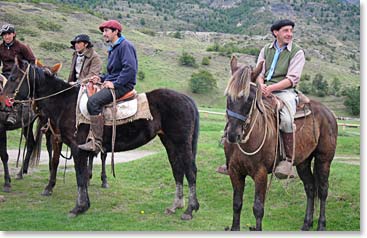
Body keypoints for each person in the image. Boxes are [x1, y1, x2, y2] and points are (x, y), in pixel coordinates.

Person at [217, 19, 305, 179]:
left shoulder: (297, 52)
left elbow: (293, 78)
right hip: (263, 88)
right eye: (286, 31)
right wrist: (261, 85)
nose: (289, 34)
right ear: (275, 33)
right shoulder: (266, 49)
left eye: (291, 31)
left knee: (285, 119)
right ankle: (230, 158)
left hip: (285, 91)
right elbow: (260, 72)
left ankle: (287, 160)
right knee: (240, 109)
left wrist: (271, 88)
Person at [78, 20, 138, 153]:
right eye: (103, 31)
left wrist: (115, 84)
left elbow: (130, 69)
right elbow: (113, 72)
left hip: (123, 85)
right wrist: (101, 78)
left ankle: (96, 142)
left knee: (93, 102)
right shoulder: (114, 48)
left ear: (116, 31)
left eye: (106, 31)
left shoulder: (125, 46)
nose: (104, 34)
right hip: (116, 83)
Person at [0, 23, 36, 125]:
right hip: (6, 74)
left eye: (9, 34)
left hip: (20, 75)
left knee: (12, 89)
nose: (6, 36)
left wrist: (25, 72)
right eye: (4, 34)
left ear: (14, 34)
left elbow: (32, 61)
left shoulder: (22, 47)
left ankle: (13, 113)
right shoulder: (0, 47)